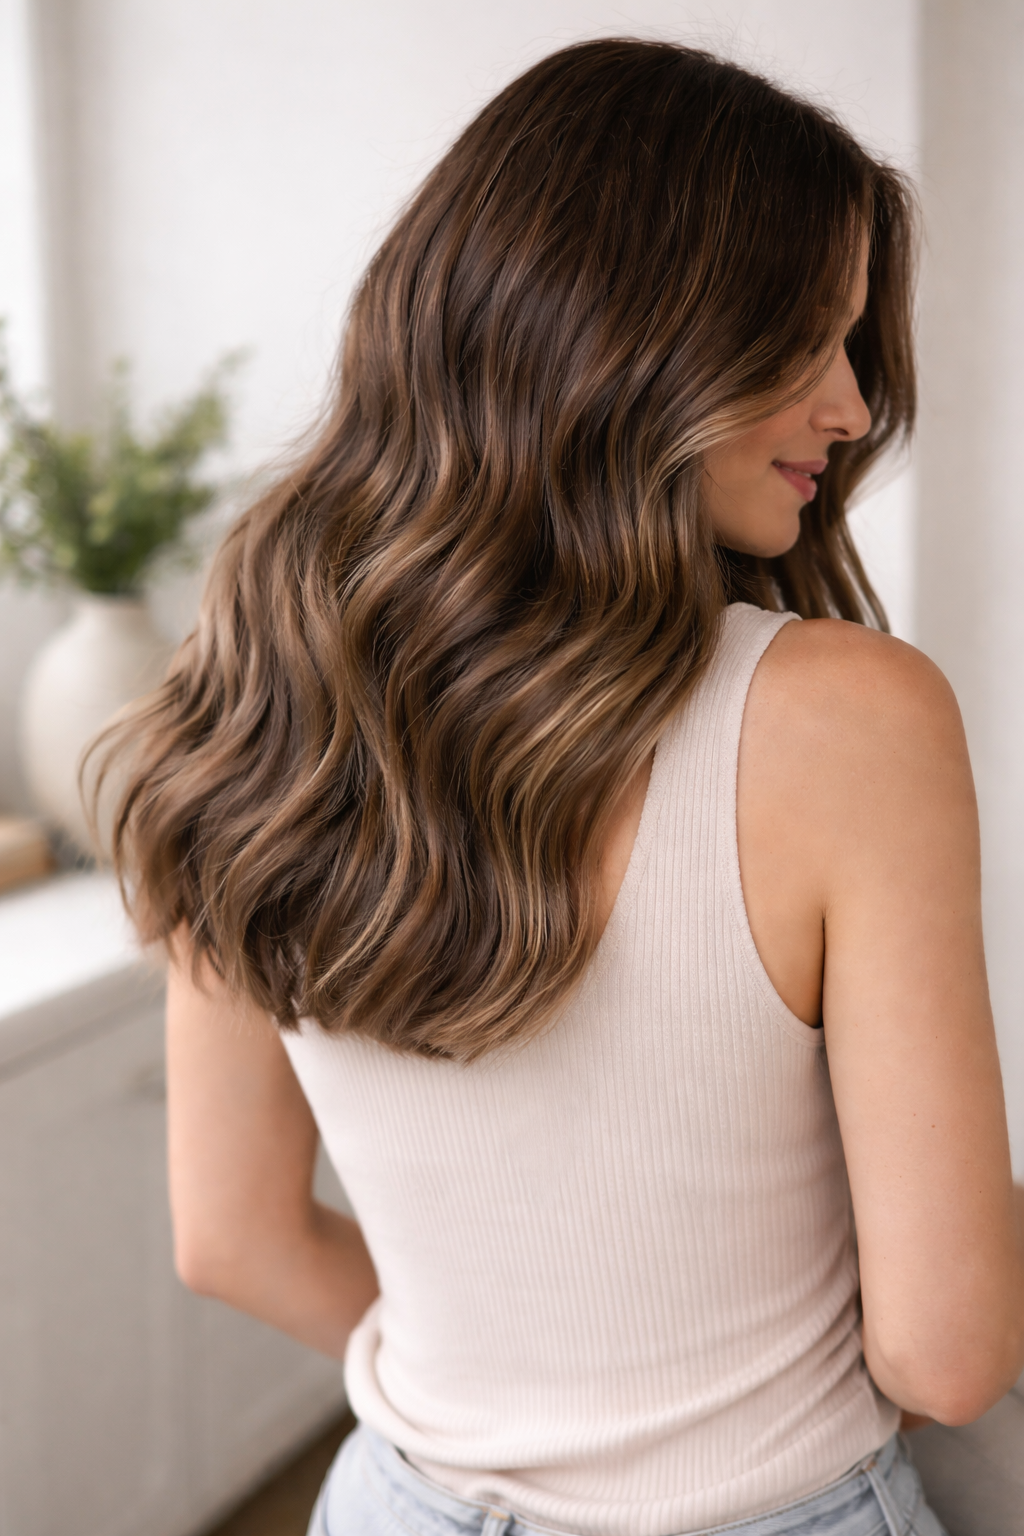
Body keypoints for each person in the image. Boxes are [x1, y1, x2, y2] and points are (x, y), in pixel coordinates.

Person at [99, 38, 1024, 1536]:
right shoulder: (852, 715)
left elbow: (236, 1237)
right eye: (808, 340)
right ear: (629, 333)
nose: (853, 409)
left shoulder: (256, 675)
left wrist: (521, 1405)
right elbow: (950, 1349)